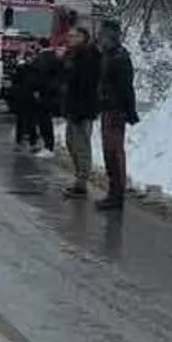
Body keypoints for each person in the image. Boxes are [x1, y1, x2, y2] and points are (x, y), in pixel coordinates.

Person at [96, 19, 138, 211]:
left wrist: (129, 111)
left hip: (115, 110)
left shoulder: (119, 58)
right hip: (108, 108)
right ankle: (113, 191)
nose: (101, 38)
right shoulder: (108, 55)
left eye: (104, 35)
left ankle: (117, 194)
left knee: (114, 153)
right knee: (109, 153)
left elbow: (126, 87)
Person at [60, 27, 102, 198]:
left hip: (83, 109)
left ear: (83, 37)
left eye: (74, 36)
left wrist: (82, 108)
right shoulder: (73, 55)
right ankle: (79, 177)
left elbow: (87, 85)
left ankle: (82, 182)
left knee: (81, 145)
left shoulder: (89, 56)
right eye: (69, 35)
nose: (70, 38)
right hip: (73, 108)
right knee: (71, 143)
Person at [28, 38, 60, 158]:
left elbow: (39, 76)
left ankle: (48, 146)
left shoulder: (43, 58)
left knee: (44, 120)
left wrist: (36, 89)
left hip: (43, 94)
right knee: (44, 119)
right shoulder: (54, 57)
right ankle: (47, 145)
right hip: (49, 94)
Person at [10, 46, 39, 151]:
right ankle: (32, 143)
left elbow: (15, 81)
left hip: (22, 97)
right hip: (29, 97)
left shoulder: (21, 68)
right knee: (30, 121)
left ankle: (20, 142)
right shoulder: (35, 68)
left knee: (21, 121)